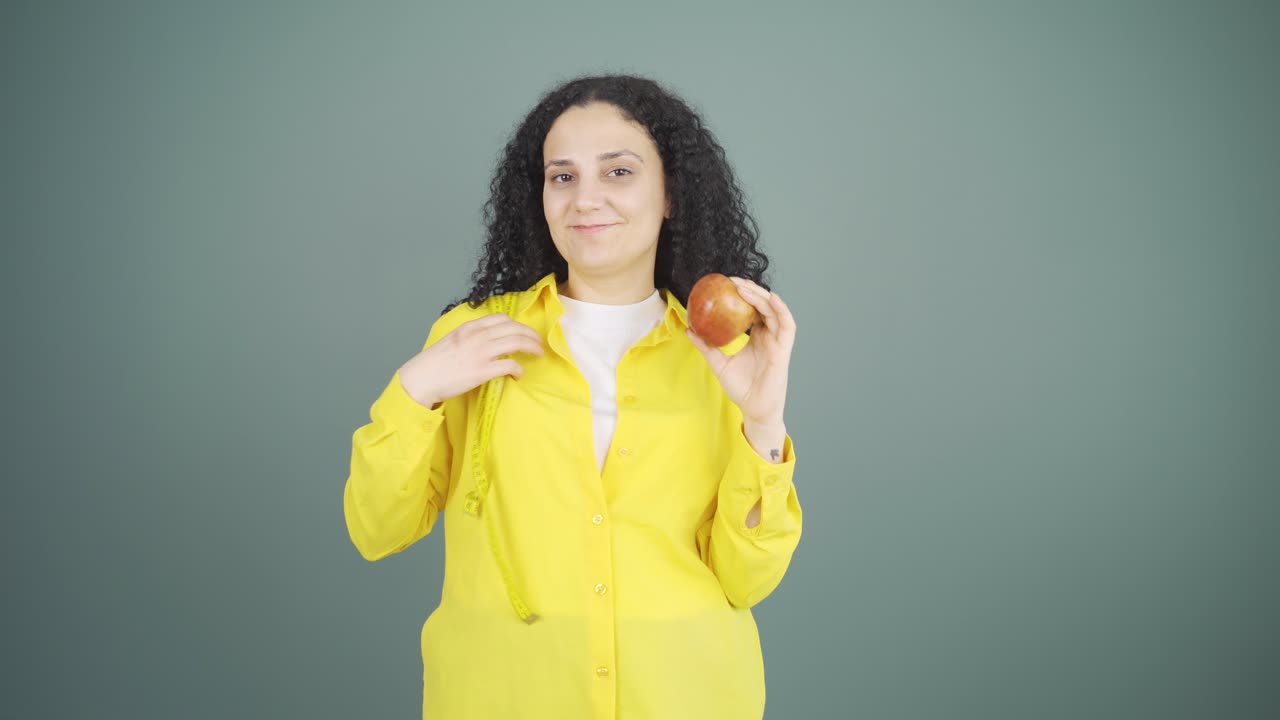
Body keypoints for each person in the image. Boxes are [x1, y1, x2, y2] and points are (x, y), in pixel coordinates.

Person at [343, 74, 802, 719]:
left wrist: (763, 421)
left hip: (688, 699)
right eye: (562, 177)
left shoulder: (727, 358)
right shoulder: (470, 341)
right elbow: (377, 529)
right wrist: (414, 392)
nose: (586, 198)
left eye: (618, 172)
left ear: (671, 194)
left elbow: (746, 578)